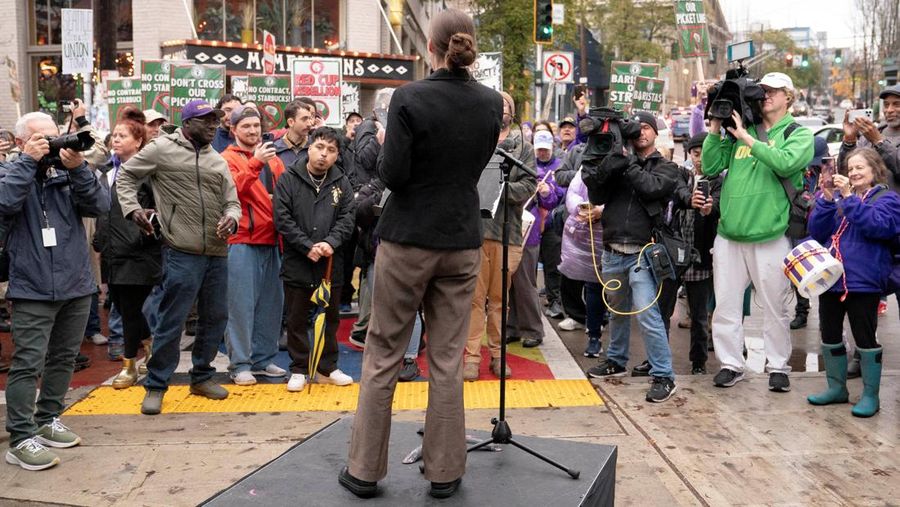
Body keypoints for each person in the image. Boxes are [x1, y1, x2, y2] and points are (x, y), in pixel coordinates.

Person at [342, 9, 502, 499]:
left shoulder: (409, 98)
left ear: (430, 48)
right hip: (461, 238)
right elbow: (476, 166)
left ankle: (365, 471)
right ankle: (446, 472)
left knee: (384, 354)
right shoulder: (492, 103)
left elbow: (393, 174)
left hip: (408, 236)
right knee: (449, 360)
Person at [116, 99, 242, 415]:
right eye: (206, 120)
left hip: (217, 252)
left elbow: (233, 202)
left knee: (215, 319)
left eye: (216, 120)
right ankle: (156, 384)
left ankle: (201, 376)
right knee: (172, 321)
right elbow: (126, 176)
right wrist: (132, 210)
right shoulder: (162, 149)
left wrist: (233, 217)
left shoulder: (217, 160)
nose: (214, 125)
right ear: (186, 124)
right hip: (181, 251)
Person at [2, 111, 108, 471]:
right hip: (31, 286)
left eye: (54, 136)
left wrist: (78, 168)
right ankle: (19, 438)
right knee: (28, 363)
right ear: (21, 142)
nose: (52, 144)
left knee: (63, 358)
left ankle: (48, 418)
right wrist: (27, 164)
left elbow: (101, 205)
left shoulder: (69, 171)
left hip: (75, 284)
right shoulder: (10, 171)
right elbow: (3, 202)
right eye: (41, 138)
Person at [701, 72, 814, 392]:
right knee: (725, 305)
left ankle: (778, 365)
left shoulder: (797, 133)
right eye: (762, 90)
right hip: (729, 235)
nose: (765, 95)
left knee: (776, 307)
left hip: (770, 236)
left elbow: (786, 163)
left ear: (788, 97)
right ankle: (731, 363)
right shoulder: (742, 129)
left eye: (773, 91)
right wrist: (714, 125)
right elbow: (709, 166)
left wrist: (748, 139)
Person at [581, 111, 679, 403]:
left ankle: (664, 375)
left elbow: (652, 188)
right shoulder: (619, 161)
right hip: (612, 250)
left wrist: (627, 160)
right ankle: (616, 360)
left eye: (646, 128)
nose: (640, 133)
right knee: (617, 312)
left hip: (643, 254)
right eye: (636, 129)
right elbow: (596, 193)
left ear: (655, 133)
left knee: (649, 317)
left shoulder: (666, 167)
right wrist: (610, 161)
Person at [807, 148, 899, 417]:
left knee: (865, 337)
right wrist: (825, 199)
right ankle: (837, 389)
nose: (854, 172)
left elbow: (877, 226)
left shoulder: (888, 199)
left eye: (861, 167)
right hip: (832, 279)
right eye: (851, 168)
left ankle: (871, 395)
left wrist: (847, 198)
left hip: (864, 281)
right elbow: (817, 232)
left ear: (874, 170)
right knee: (830, 334)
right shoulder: (837, 198)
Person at [274, 127, 355, 392]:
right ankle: (298, 368)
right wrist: (306, 245)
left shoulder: (341, 181)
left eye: (331, 150)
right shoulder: (289, 178)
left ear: (337, 155)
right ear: (309, 147)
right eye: (320, 147)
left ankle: (327, 366)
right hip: (298, 259)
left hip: (331, 262)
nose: (324, 155)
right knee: (297, 318)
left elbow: (347, 218)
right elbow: (282, 217)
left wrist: (330, 242)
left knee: (330, 317)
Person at [464, 91, 536, 380]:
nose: (501, 109)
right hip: (475, 234)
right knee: (472, 299)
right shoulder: (475, 142)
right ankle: (470, 357)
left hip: (507, 233)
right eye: (496, 104)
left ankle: (497, 355)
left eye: (506, 105)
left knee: (498, 301)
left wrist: (498, 190)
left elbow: (529, 184)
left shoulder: (523, 148)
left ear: (512, 111)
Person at [94, 107, 162, 389]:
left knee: (130, 310)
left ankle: (129, 366)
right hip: (111, 253)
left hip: (138, 253)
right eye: (114, 135)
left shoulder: (147, 174)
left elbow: (157, 212)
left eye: (123, 136)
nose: (116, 140)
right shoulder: (106, 172)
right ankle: (151, 346)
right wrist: (99, 238)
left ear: (138, 141)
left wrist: (141, 235)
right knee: (119, 306)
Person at [221, 106, 288, 385]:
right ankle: (239, 364)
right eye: (245, 126)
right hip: (242, 241)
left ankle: (262, 359)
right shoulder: (225, 158)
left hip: (272, 241)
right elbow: (231, 190)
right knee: (240, 307)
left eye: (255, 126)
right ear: (233, 129)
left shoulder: (274, 160)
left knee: (271, 306)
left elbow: (286, 194)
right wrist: (256, 163)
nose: (252, 131)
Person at [839, 84, 900, 318]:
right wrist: (849, 141)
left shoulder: (876, 135)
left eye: (896, 104)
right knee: (865, 305)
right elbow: (848, 170)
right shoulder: (873, 133)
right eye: (887, 105)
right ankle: (865, 350)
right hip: (870, 231)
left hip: (895, 231)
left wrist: (879, 140)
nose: (890, 110)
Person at [508, 129, 563, 348]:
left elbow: (552, 201)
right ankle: (511, 327)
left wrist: (547, 192)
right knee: (507, 283)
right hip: (506, 231)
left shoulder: (541, 170)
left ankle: (532, 329)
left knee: (525, 282)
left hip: (527, 234)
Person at [557, 168, 608, 358]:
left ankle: (619, 351)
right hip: (589, 233)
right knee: (594, 286)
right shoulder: (586, 166)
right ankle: (594, 336)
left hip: (618, 233)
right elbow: (573, 192)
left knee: (621, 295)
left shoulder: (626, 162)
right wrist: (583, 208)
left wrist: (602, 210)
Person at [790, 136, 831, 330]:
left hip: (822, 228)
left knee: (825, 275)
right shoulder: (799, 171)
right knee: (800, 272)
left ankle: (827, 317)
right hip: (800, 226)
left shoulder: (830, 172)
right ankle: (801, 311)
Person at [274, 99, 314, 171]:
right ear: (291, 122)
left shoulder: (315, 147)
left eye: (310, 118)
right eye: (304, 119)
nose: (309, 124)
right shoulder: (275, 150)